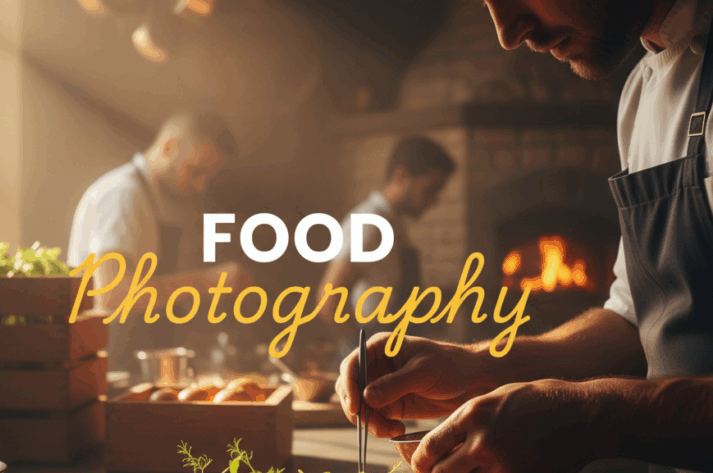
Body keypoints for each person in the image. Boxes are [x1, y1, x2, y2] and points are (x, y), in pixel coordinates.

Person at [335, 1, 713, 473]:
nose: (507, 33)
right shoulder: (641, 93)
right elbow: (636, 317)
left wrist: (587, 415)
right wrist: (478, 367)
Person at [68, 110, 252, 374]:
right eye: (195, 171)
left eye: (207, 176)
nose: (200, 186)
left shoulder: (162, 198)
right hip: (110, 367)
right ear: (168, 147)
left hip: (145, 365)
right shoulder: (123, 195)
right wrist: (207, 281)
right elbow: (111, 294)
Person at [315, 136, 455, 366]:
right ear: (401, 175)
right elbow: (328, 302)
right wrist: (365, 354)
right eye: (430, 189)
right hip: (368, 361)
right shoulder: (370, 224)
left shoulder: (393, 222)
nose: (434, 201)